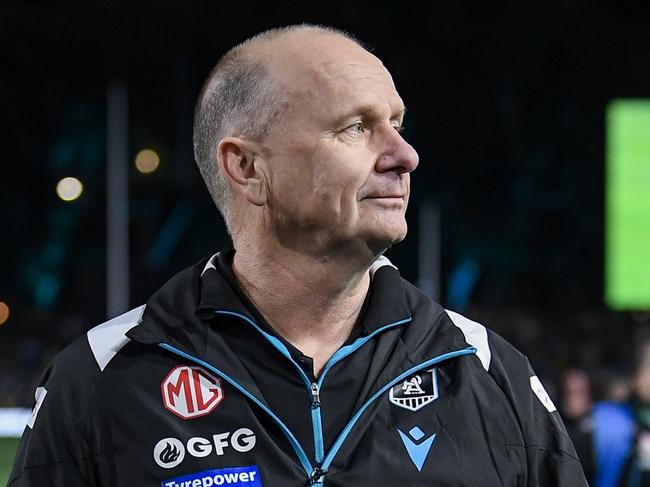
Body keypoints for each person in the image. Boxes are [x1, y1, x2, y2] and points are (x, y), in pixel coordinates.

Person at [9, 25, 587, 486]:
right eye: (356, 128)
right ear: (248, 168)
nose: (404, 155)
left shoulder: (486, 369)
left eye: (397, 124)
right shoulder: (103, 377)